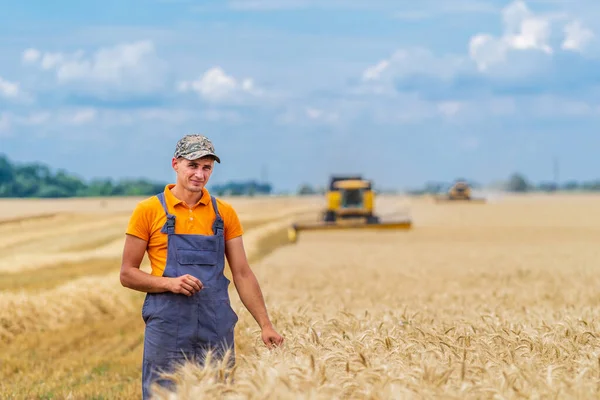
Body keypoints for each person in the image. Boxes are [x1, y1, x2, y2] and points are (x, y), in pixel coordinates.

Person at [119, 134, 284, 399]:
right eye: (192, 165)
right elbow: (127, 274)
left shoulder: (224, 213)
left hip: (215, 324)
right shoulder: (148, 211)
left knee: (220, 392)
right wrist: (169, 283)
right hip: (168, 324)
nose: (200, 174)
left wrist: (265, 324)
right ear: (175, 164)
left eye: (206, 167)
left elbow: (242, 272)